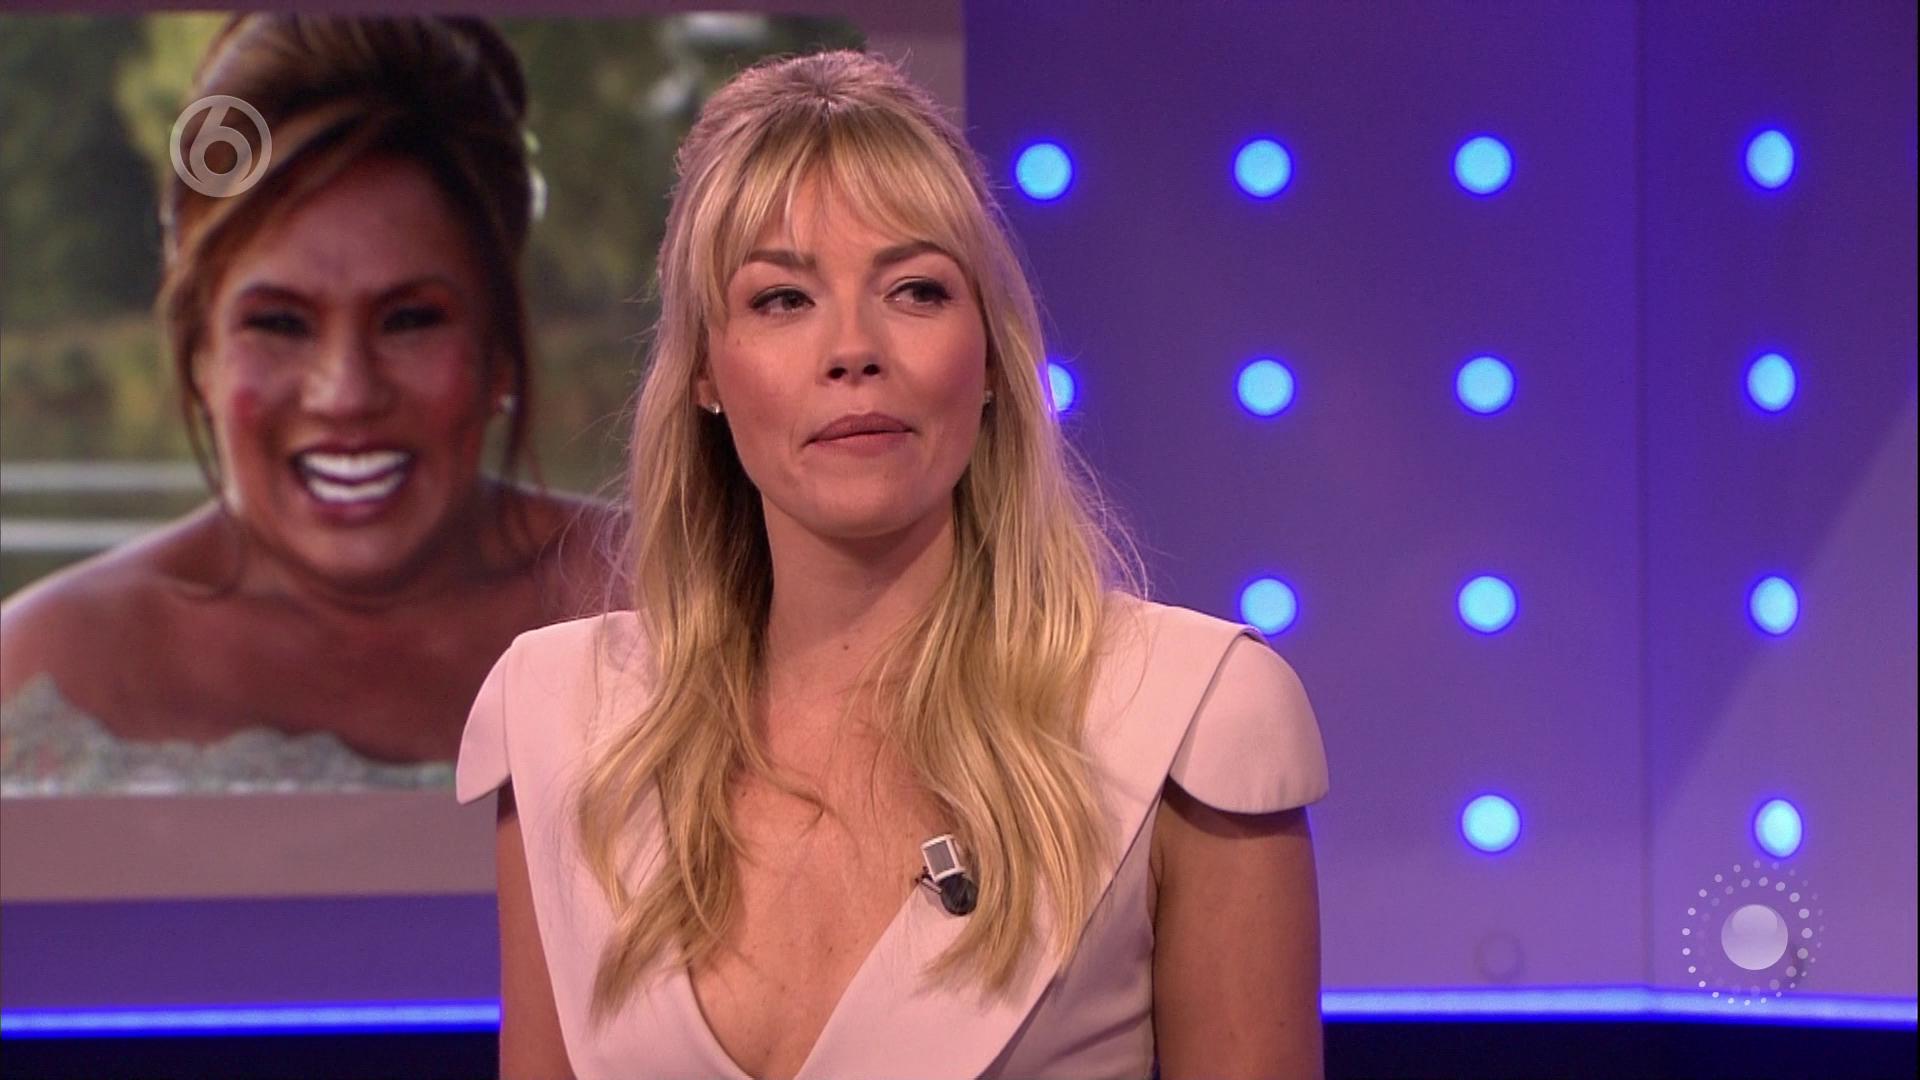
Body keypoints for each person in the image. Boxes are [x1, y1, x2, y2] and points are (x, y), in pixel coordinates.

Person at [458, 50, 1330, 1079]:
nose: (854, 349)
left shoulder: (1192, 718)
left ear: (991, 357)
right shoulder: (563, 721)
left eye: (915, 290)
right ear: (704, 371)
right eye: (783, 300)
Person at [0, 15, 613, 793]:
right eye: (280, 324)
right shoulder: (46, 674)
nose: (345, 393)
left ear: (497, 348)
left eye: (409, 319)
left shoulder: (686, 603)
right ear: (200, 356)